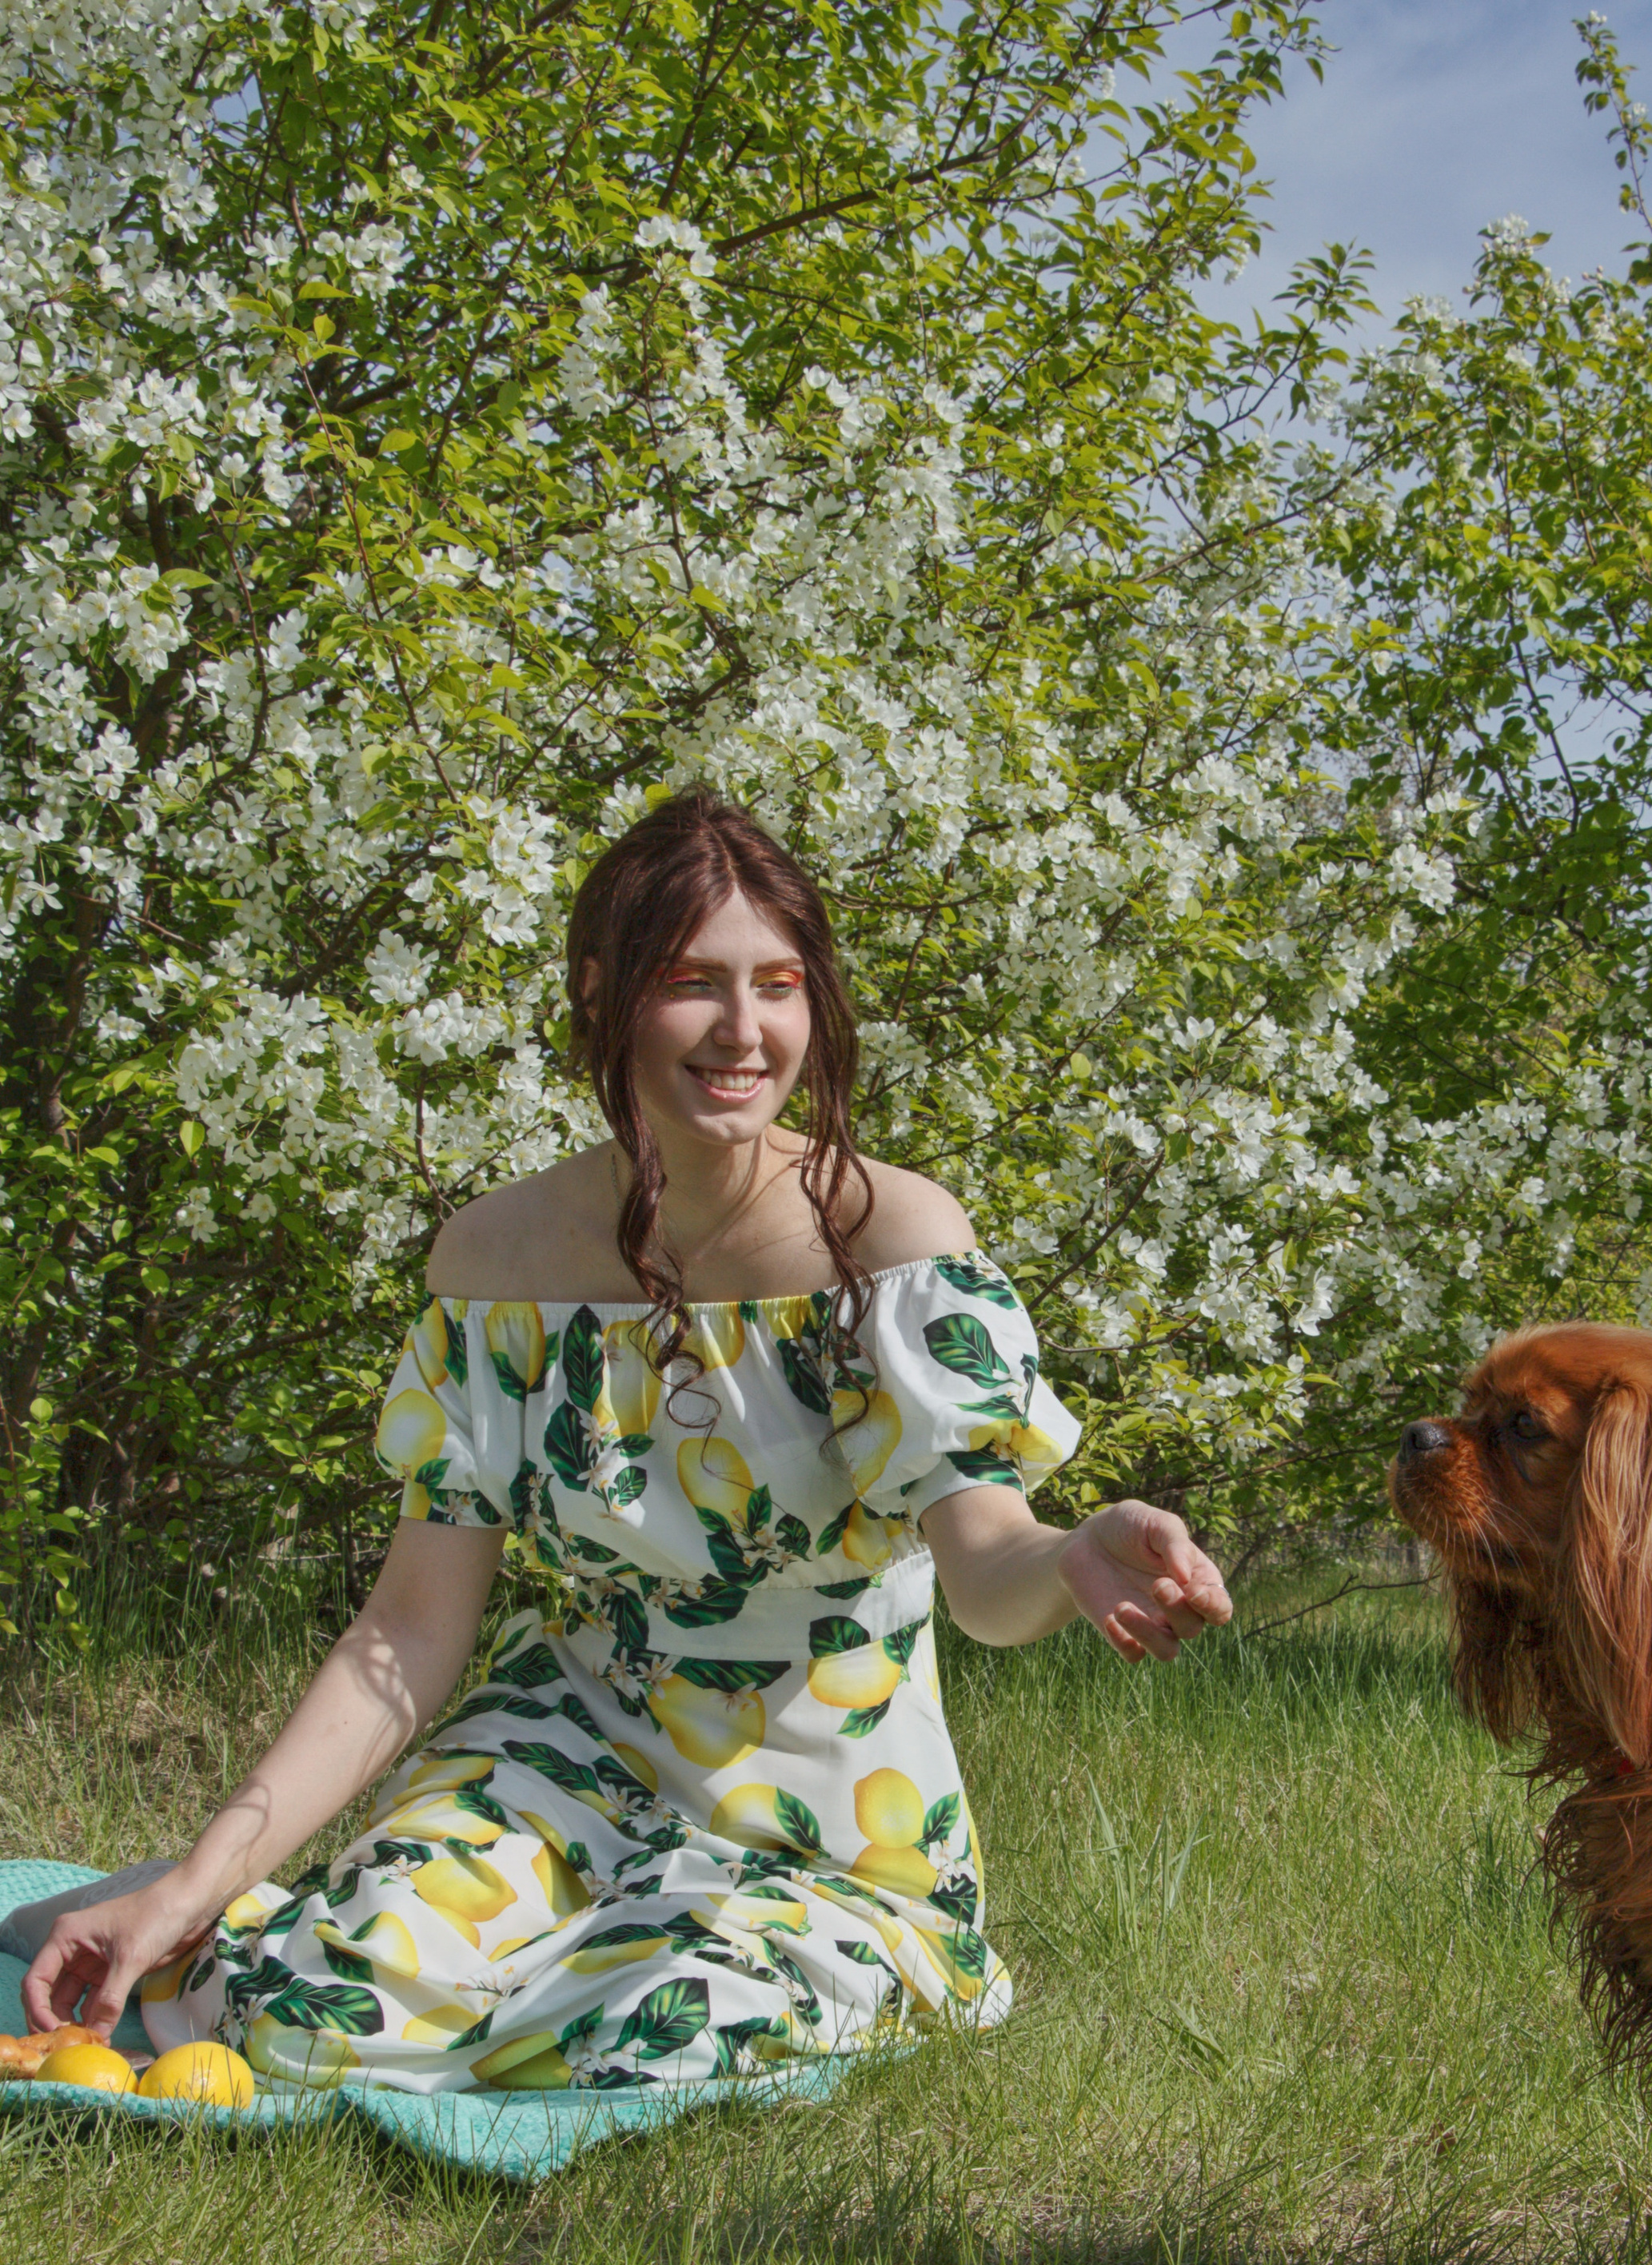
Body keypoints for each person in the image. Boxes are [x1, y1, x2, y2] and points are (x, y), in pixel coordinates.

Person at [26, 796, 1232, 2092]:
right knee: (319, 2008)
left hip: (820, 1802)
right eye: (690, 984)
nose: (744, 1031)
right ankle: (208, 1911)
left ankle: (639, 1948)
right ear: (604, 994)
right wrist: (208, 1876)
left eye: (778, 985)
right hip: (564, 1745)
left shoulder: (891, 1245)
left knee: (655, 2024)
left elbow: (987, 1568)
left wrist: (1074, 1552)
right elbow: (407, 1634)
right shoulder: (497, 1262)